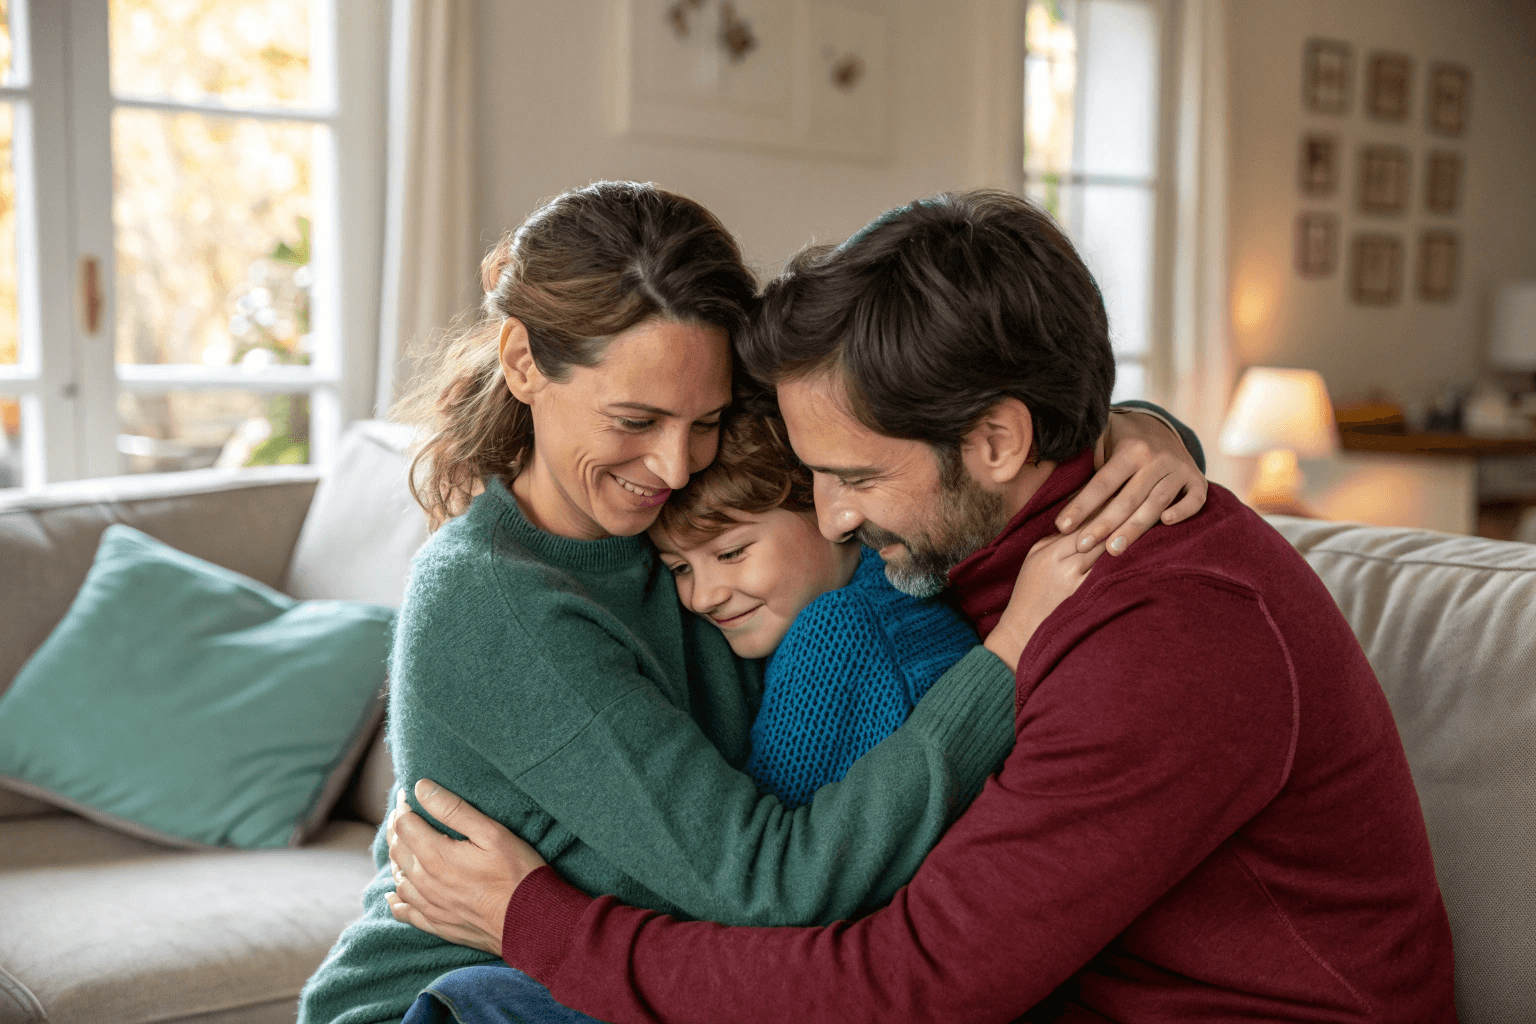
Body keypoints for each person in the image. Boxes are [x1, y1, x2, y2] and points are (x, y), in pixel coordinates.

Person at [385, 189, 1457, 1023]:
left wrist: (537, 924)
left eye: (853, 478)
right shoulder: (948, 537)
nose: (833, 521)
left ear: (996, 441)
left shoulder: (1160, 632)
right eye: (814, 478)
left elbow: (905, 987)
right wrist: (1129, 427)